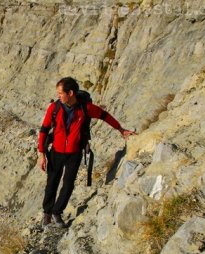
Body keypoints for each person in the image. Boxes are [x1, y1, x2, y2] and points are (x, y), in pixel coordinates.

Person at [38, 77, 135, 228]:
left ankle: (57, 212)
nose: (58, 96)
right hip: (56, 151)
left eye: (60, 93)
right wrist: (42, 154)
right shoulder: (54, 108)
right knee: (52, 183)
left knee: (68, 184)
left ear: (70, 93)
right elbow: (44, 130)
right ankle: (47, 213)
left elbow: (104, 115)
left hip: (74, 153)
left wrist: (121, 129)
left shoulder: (85, 108)